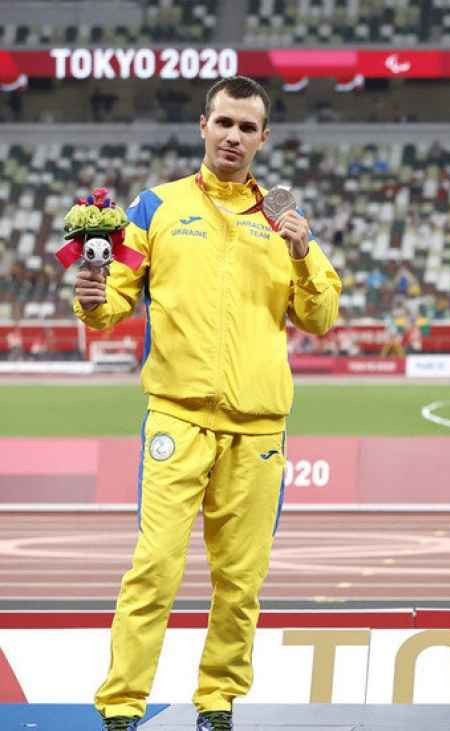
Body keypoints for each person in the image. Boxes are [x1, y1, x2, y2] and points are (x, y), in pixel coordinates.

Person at [74, 75, 342, 731]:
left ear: (263, 138)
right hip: (177, 417)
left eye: (247, 127)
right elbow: (113, 302)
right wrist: (92, 300)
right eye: (224, 122)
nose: (233, 136)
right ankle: (122, 704)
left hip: (259, 429)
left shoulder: (283, 223)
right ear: (203, 126)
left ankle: (217, 701)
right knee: (154, 567)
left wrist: (303, 254)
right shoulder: (155, 208)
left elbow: (321, 316)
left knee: (241, 579)